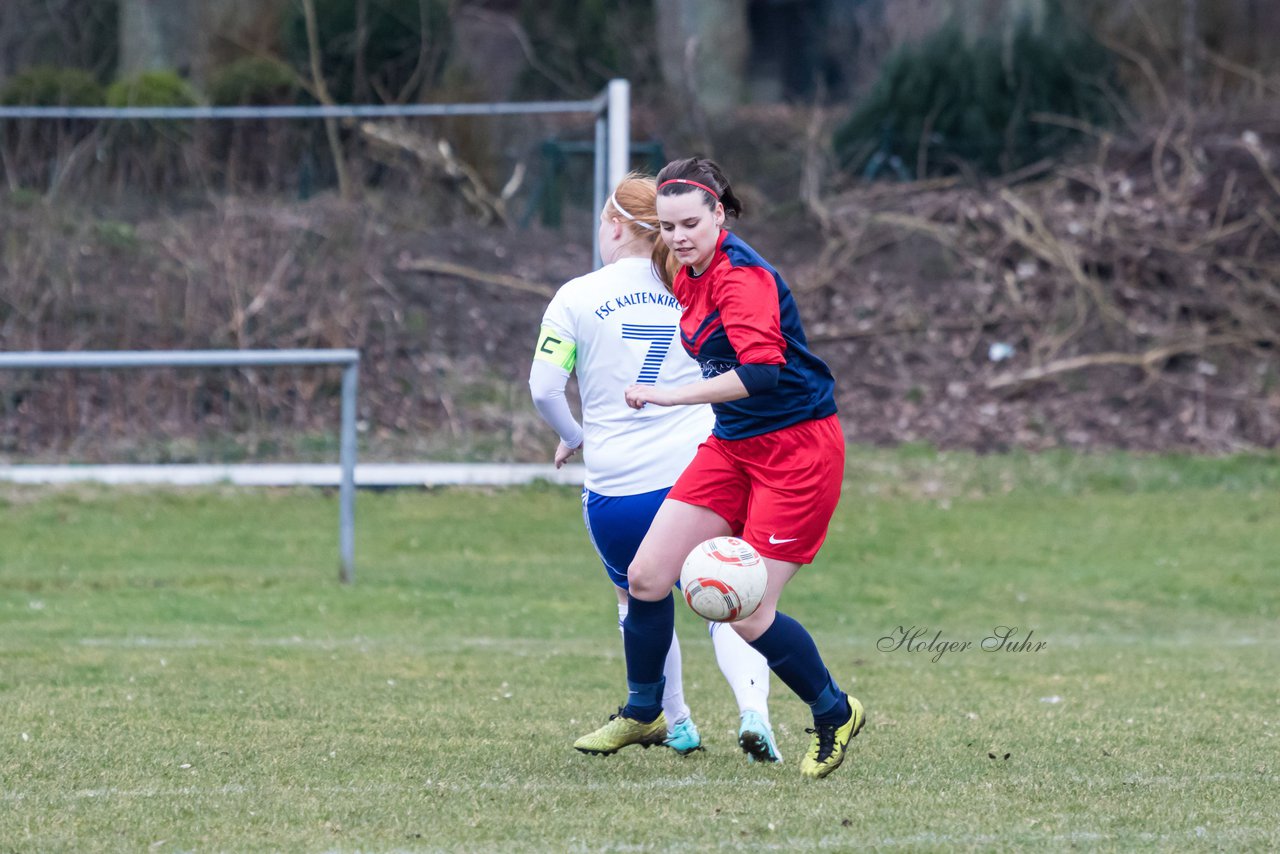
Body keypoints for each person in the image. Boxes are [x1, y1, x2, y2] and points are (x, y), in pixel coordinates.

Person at [573, 157, 865, 780]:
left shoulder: (743, 278)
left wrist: (667, 397)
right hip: (733, 445)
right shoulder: (685, 271)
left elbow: (762, 374)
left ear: (719, 214)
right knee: (648, 575)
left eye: (690, 224)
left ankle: (834, 712)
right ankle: (647, 712)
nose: (679, 238)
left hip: (797, 452)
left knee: (748, 611)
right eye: (668, 227)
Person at [529, 172, 783, 762]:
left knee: (638, 601)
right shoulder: (697, 285)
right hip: (702, 475)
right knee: (732, 597)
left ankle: (677, 721)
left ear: (614, 225)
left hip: (618, 488)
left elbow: (544, 388)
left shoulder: (576, 296)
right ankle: (755, 714)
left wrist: (576, 436)